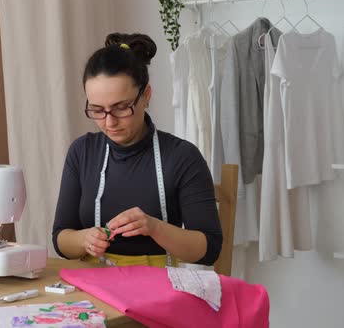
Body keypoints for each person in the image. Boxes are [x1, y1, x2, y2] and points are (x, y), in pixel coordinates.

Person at [52, 32, 222, 268]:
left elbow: (209, 248)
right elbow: (61, 238)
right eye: (97, 110)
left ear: (146, 96)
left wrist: (154, 228)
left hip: (159, 287)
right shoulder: (82, 152)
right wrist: (84, 239)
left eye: (121, 108)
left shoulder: (182, 157)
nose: (109, 122)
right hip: (93, 288)